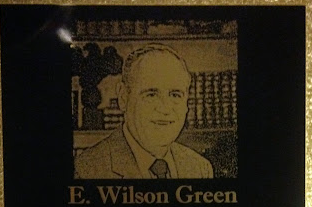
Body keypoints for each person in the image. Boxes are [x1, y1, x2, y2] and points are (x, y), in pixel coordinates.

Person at [74, 43, 214, 179]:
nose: (165, 109)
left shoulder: (200, 168)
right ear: (123, 98)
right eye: (151, 94)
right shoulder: (86, 169)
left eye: (175, 95)